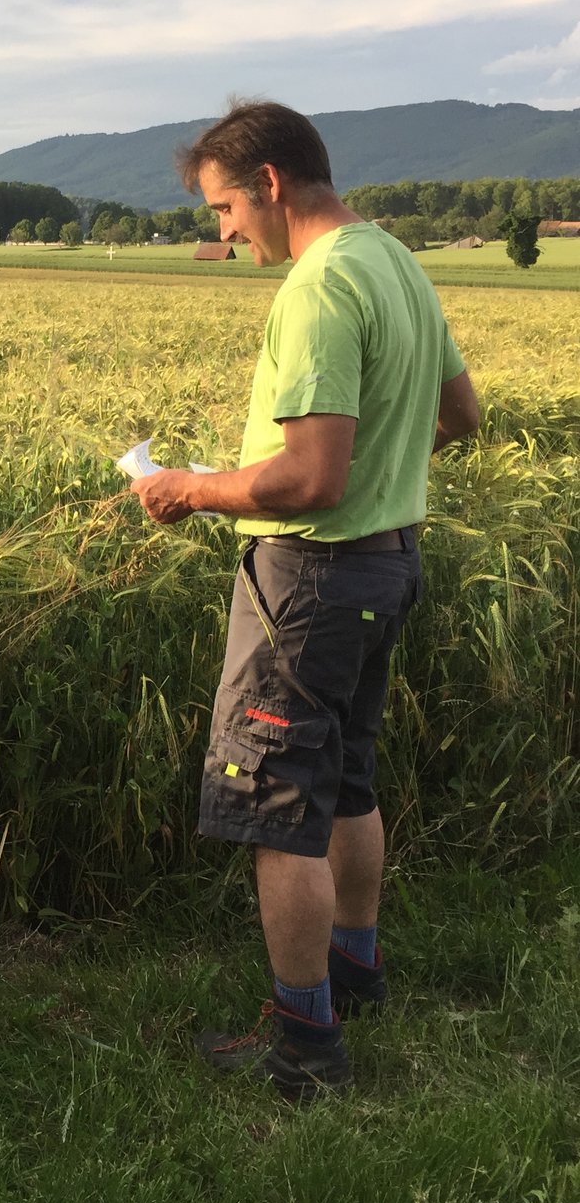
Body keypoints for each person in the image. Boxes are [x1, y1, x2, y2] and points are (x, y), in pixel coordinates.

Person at [131, 100, 479, 1101]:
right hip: (387, 563)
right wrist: (375, 476)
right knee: (347, 783)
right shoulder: (395, 261)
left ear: (272, 182)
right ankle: (354, 975)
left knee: (276, 806)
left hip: (312, 578)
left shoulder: (318, 286)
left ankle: (304, 1045)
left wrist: (189, 486)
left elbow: (309, 479)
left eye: (226, 206)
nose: (223, 229)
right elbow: (458, 413)